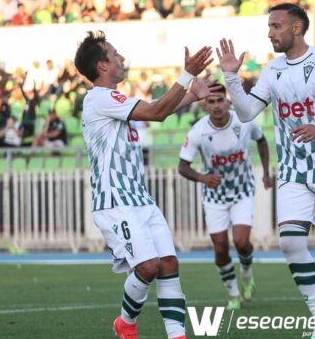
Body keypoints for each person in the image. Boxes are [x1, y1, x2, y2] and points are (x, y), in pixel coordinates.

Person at [217, 3, 315, 339]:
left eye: (276, 26)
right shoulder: (273, 70)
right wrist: (231, 77)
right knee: (290, 243)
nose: (270, 33)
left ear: (296, 28)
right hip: (293, 170)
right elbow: (245, 113)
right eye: (269, 27)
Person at [74, 30, 218, 339]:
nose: (121, 58)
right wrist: (187, 75)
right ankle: (125, 322)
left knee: (167, 263)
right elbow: (157, 112)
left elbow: (156, 109)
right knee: (149, 265)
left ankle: (177, 335)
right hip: (114, 202)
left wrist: (192, 95)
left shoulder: (116, 100)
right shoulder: (100, 98)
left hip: (139, 198)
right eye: (114, 54)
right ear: (101, 65)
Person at [177, 86, 271, 310]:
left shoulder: (245, 121)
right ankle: (233, 293)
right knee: (220, 247)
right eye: (211, 101)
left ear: (228, 102)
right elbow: (182, 166)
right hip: (214, 196)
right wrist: (203, 177)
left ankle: (247, 272)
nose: (216, 105)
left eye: (220, 100)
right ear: (204, 105)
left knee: (240, 242)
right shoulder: (197, 132)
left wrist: (266, 172)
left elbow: (262, 140)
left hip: (242, 190)